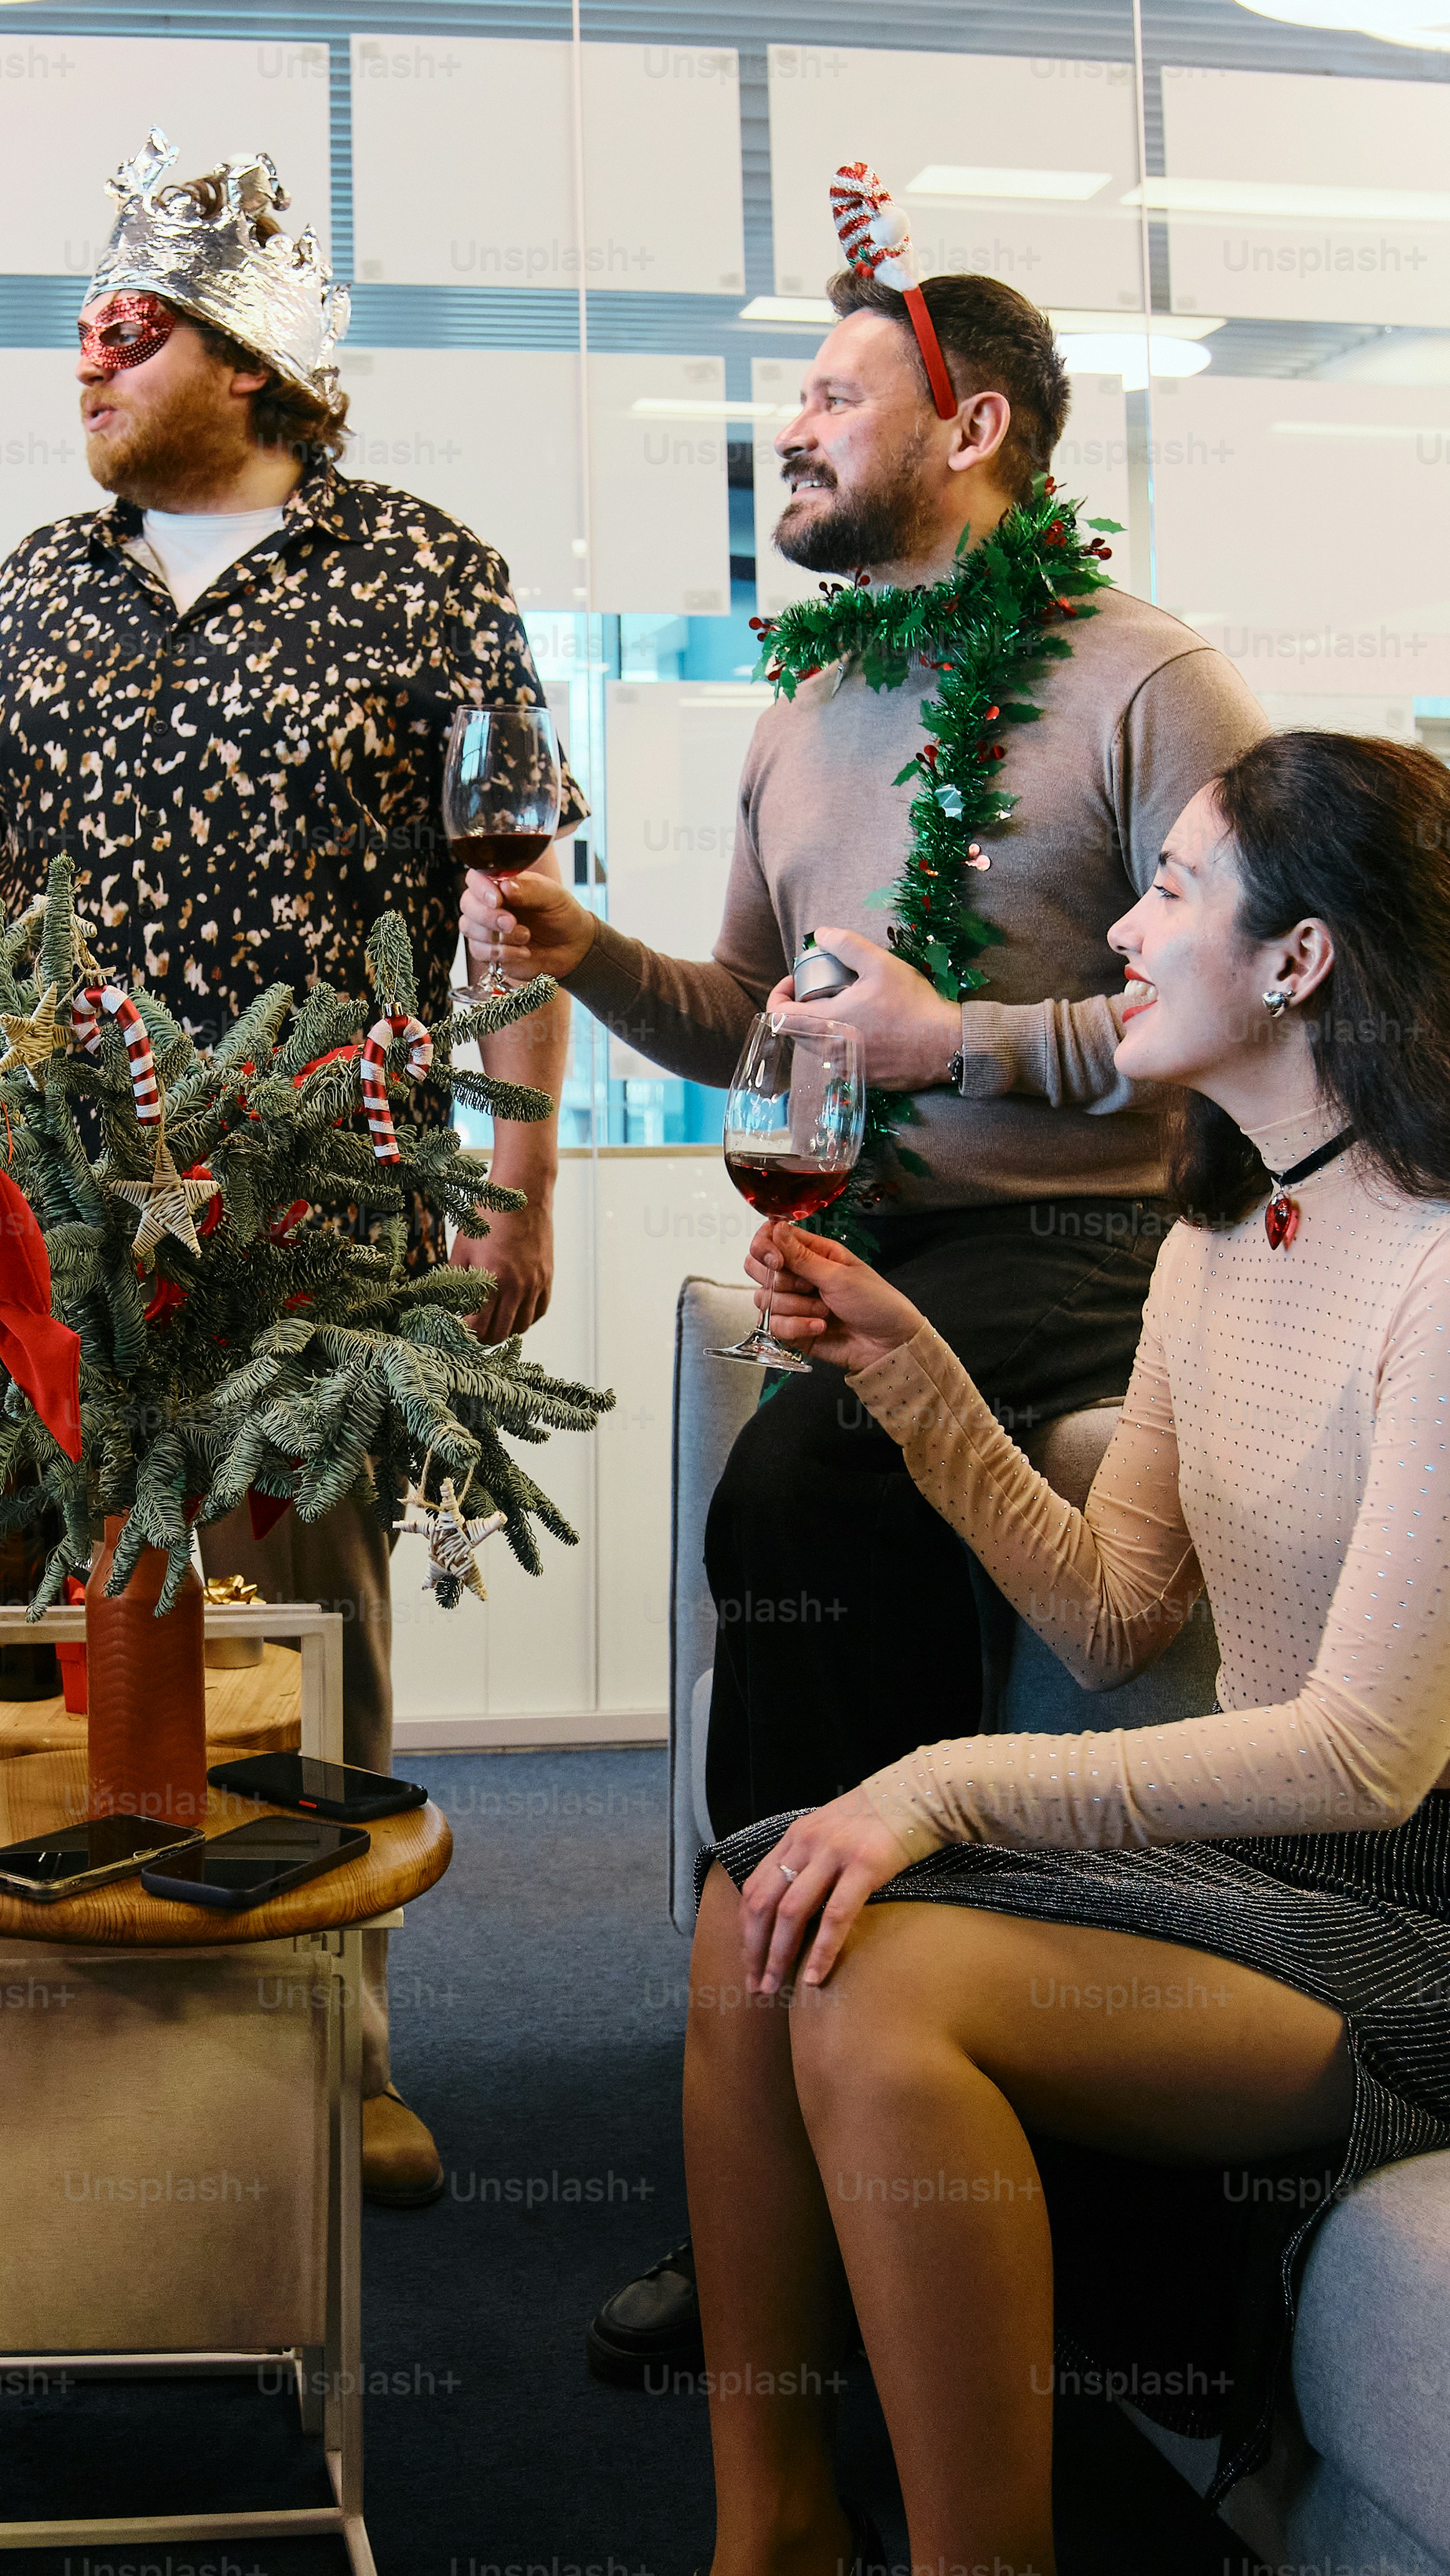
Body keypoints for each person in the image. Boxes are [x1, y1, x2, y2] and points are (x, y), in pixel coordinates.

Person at [682, 730, 1450, 2572]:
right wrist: (911, 1370)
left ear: (1300, 961)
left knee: (875, 1983)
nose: (1119, 927)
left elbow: (1364, 1759)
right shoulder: (1218, 1231)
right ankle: (770, 2533)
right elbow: (1111, 1620)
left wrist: (932, 1786)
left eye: (1172, 889)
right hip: (1266, 1871)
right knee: (760, 1901)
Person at [461, 252, 1268, 2373]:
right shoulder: (805, 704)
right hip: (883, 1241)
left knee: (796, 1520)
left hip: (1093, 1251)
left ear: (971, 425)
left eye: (827, 396)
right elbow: (748, 1023)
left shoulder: (1149, 681)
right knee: (789, 1517)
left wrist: (963, 1045)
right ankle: (832, 2123)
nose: (788, 437)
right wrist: (572, 947)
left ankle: (853, 2155)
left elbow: (1265, 1003)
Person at [0, 132, 579, 2208]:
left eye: (123, 331)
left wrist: (522, 1167)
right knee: (44, 1607)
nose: (84, 360)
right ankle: (39, 2038)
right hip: (53, 1205)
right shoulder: (43, 587)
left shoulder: (429, 573)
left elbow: (516, 901)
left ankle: (337, 2052)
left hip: (322, 1204)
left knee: (302, 1623)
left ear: (248, 364)